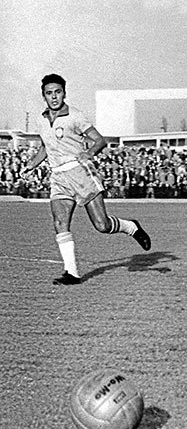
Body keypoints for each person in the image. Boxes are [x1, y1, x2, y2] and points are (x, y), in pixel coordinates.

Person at [25, 74, 151, 285]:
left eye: (57, 92)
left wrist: (89, 153)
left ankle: (131, 227)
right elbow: (45, 147)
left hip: (81, 173)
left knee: (101, 225)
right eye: (49, 93)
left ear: (64, 93)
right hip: (58, 176)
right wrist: (31, 164)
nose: (54, 97)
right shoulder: (41, 119)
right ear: (43, 96)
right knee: (59, 222)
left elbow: (99, 140)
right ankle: (72, 273)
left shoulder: (75, 116)